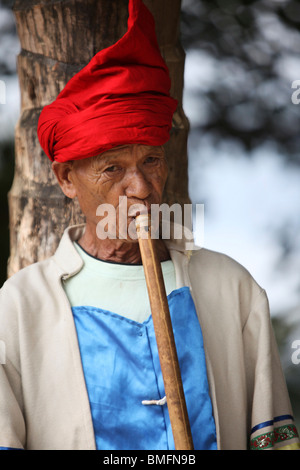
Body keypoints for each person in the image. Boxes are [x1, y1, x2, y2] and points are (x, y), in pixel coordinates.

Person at [0, 0, 299, 451]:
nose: (140, 187)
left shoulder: (231, 289)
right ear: (66, 179)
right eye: (112, 168)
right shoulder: (20, 308)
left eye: (151, 160)